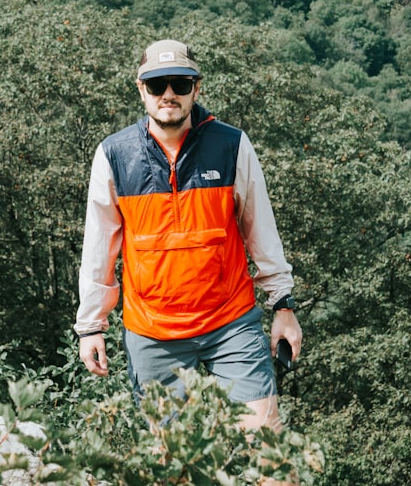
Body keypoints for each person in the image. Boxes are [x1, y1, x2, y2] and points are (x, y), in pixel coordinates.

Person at [75, 38, 303, 438]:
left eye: (180, 84)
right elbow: (99, 248)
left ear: (196, 88)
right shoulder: (114, 154)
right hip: (153, 334)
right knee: (172, 461)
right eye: (157, 84)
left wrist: (282, 305)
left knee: (267, 449)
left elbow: (260, 230)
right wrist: (92, 326)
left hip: (230, 324)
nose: (168, 94)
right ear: (140, 88)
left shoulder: (231, 145)